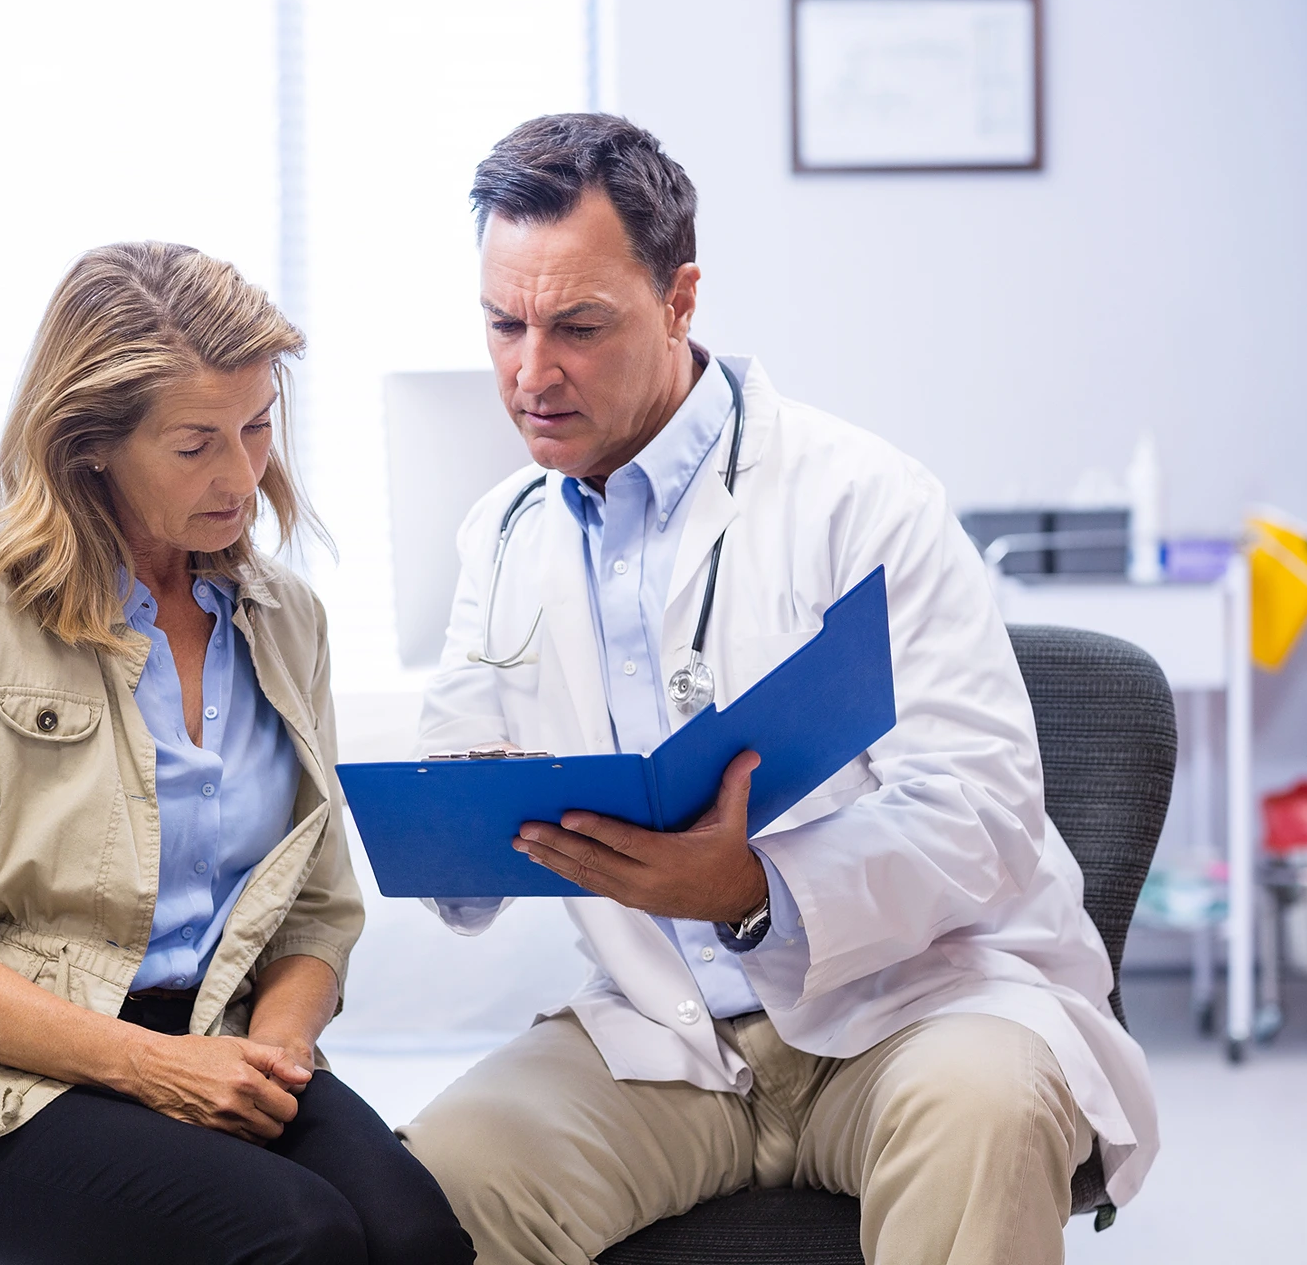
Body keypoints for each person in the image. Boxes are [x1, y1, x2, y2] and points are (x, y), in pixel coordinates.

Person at [397, 114, 1158, 1265]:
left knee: (986, 1111)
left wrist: (756, 885)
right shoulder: (500, 535)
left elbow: (984, 806)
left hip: (911, 1010)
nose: (530, 371)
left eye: (578, 326)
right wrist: (446, 833)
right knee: (437, 1186)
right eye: (503, 323)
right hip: (670, 1038)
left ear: (680, 298)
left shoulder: (862, 497)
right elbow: (463, 792)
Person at [0, 241, 473, 1265]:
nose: (241, 474)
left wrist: (276, 1047)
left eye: (257, 426)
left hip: (218, 1036)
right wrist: (157, 1068)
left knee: (415, 1239)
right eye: (195, 444)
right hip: (1, 1086)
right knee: (299, 1237)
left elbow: (316, 907)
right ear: (90, 444)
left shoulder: (285, 619)